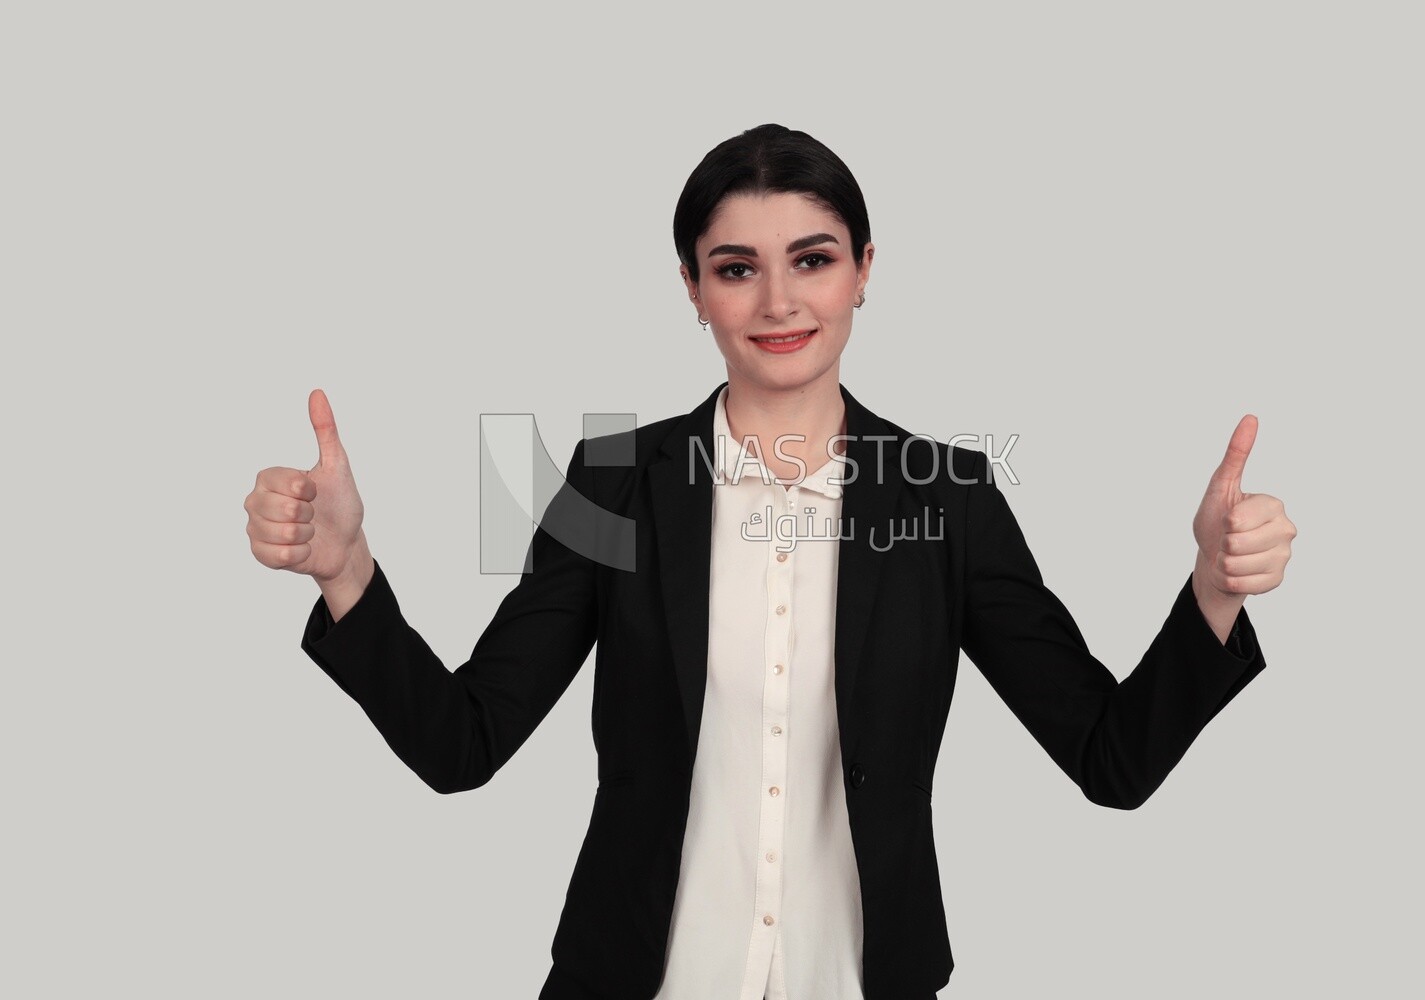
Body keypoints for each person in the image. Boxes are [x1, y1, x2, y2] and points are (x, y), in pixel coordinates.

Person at [243, 124, 1296, 1000]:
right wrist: (348, 574)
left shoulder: (949, 497)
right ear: (693, 288)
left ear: (866, 271)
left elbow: (1109, 758)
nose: (778, 302)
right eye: (736, 268)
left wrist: (1210, 591)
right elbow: (463, 742)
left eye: (814, 258)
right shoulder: (612, 482)